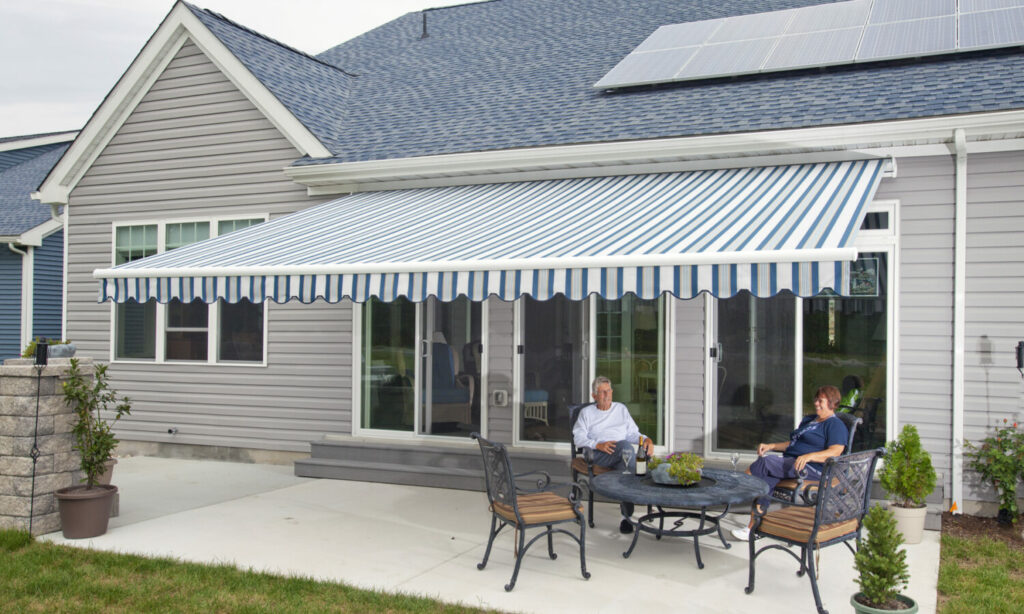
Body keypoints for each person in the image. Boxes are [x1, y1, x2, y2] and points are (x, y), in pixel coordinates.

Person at [731, 384, 848, 541]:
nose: (816, 403)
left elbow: (835, 452)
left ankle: (737, 489)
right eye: (816, 400)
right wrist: (771, 446)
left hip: (812, 469)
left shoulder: (834, 425)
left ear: (832, 403)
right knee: (765, 480)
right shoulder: (809, 420)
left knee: (765, 462)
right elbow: (794, 444)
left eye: (820, 401)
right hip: (790, 463)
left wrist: (809, 456)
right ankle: (753, 529)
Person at [572, 375, 654, 534]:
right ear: (594, 396)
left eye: (608, 391)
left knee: (626, 464)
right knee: (626, 449)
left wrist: (646, 439)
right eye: (602, 392)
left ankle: (626, 518)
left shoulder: (621, 409)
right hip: (598, 454)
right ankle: (641, 489)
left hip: (622, 455)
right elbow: (579, 438)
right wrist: (598, 445)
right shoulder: (586, 413)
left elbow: (632, 433)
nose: (607, 395)